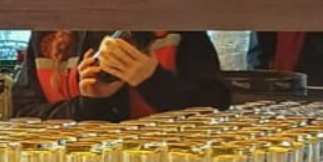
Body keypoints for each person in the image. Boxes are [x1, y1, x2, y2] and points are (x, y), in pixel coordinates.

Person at [13, 30, 231, 121]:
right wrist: (89, 103)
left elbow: (216, 109)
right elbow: (22, 115)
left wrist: (152, 79)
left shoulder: (178, 28)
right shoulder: (49, 31)